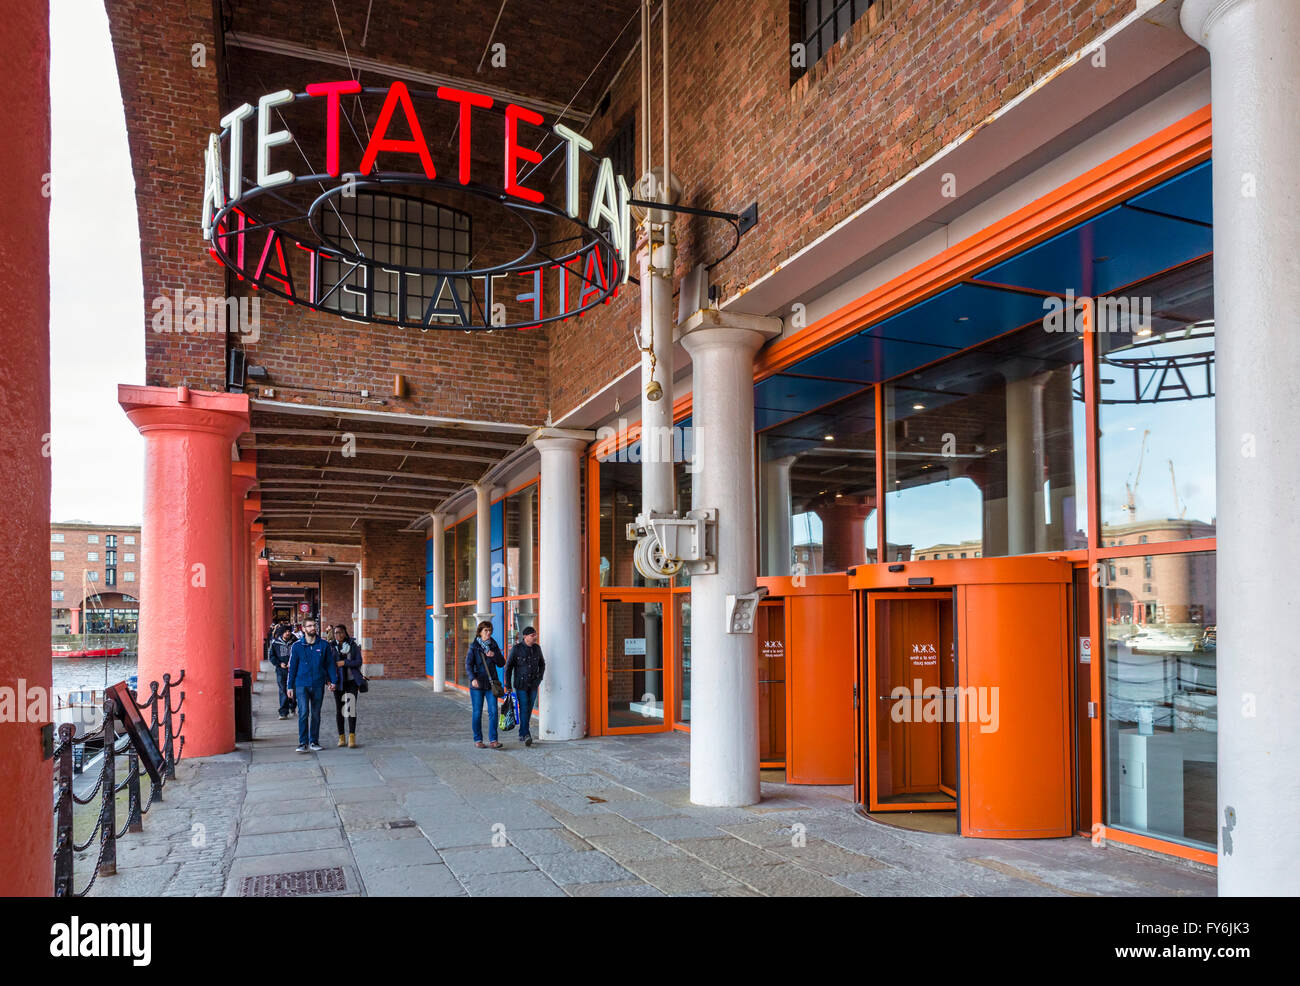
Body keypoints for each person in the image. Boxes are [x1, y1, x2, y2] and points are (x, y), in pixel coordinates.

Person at [286, 618, 337, 752]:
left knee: (316, 714)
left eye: (314, 625)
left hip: (318, 684)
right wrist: (289, 686)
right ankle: (303, 742)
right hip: (301, 685)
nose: (313, 628)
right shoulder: (297, 646)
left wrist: (333, 680)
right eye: (309, 626)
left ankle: (314, 741)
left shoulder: (324, 645)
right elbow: (292, 668)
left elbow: (330, 664)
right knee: (303, 713)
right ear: (303, 629)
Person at [465, 620, 505, 748]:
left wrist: (493, 656)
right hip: (477, 684)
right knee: (477, 712)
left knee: (493, 711)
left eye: (490, 630)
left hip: (491, 684)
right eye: (485, 630)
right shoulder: (474, 646)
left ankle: (493, 740)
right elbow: (468, 665)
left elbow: (502, 663)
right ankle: (478, 740)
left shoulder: (493, 645)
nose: (488, 633)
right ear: (480, 632)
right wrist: (472, 678)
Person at [505, 626, 545, 747]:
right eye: (532, 635)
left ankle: (522, 733)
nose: (535, 637)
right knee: (524, 708)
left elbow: (542, 664)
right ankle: (526, 734)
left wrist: (539, 678)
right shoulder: (516, 649)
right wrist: (508, 685)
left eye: (535, 635)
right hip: (521, 684)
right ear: (525, 636)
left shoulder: (537, 648)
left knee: (528, 708)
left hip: (533, 684)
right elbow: (508, 667)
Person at [330, 623, 363, 748]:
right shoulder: (331, 647)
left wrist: (345, 662)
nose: (339, 635)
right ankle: (341, 737)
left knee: (351, 709)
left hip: (351, 682)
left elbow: (359, 662)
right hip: (338, 682)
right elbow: (328, 664)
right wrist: (329, 681)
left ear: (345, 633)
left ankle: (352, 737)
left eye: (341, 632)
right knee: (340, 710)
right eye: (336, 633)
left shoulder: (353, 646)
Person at [268, 624, 298, 719]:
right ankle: (283, 712)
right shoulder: (276, 643)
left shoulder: (295, 642)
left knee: (294, 690)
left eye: (289, 631)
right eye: (286, 631)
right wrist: (279, 663)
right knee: (283, 690)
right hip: (281, 670)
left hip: (294, 670)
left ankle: (293, 706)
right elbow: (272, 656)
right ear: (282, 633)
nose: (288, 633)